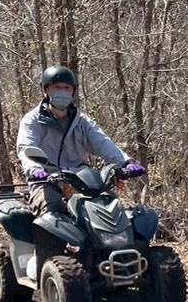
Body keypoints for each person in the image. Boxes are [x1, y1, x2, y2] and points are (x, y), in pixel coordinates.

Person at [15, 65, 144, 213]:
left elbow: (103, 143)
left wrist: (126, 162)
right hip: (46, 180)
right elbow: (26, 148)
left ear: (73, 91)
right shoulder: (32, 120)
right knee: (51, 211)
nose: (62, 92)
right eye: (57, 88)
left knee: (111, 208)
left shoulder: (82, 121)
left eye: (67, 88)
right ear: (45, 91)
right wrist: (35, 168)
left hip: (82, 181)